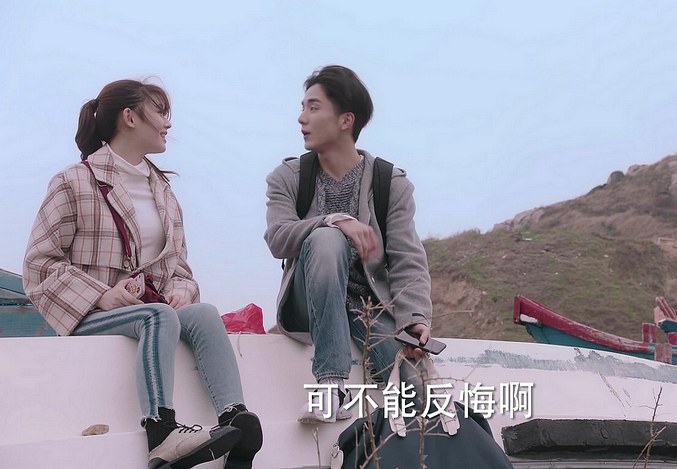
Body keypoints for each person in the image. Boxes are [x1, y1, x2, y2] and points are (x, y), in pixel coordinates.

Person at [23, 79, 262, 469]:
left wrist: (182, 290)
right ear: (129, 117)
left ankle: (235, 422)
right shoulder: (73, 181)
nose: (168, 123)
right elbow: (38, 264)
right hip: (93, 317)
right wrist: (102, 294)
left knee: (202, 313)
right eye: (160, 112)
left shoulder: (163, 191)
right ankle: (161, 433)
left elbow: (179, 268)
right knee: (159, 315)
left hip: (149, 313)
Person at [264, 65, 433, 424]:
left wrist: (415, 318)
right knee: (326, 238)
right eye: (303, 107)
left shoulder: (390, 182)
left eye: (313, 108)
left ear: (346, 120)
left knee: (416, 396)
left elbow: (407, 257)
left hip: (368, 306)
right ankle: (331, 384)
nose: (301, 118)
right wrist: (334, 220)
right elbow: (278, 237)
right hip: (308, 301)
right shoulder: (288, 177)